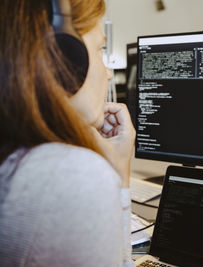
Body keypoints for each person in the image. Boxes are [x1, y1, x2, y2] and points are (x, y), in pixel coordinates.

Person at [0, 0, 135, 266]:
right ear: (62, 57)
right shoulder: (69, 176)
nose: (108, 73)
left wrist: (116, 168)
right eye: (100, 50)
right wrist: (117, 178)